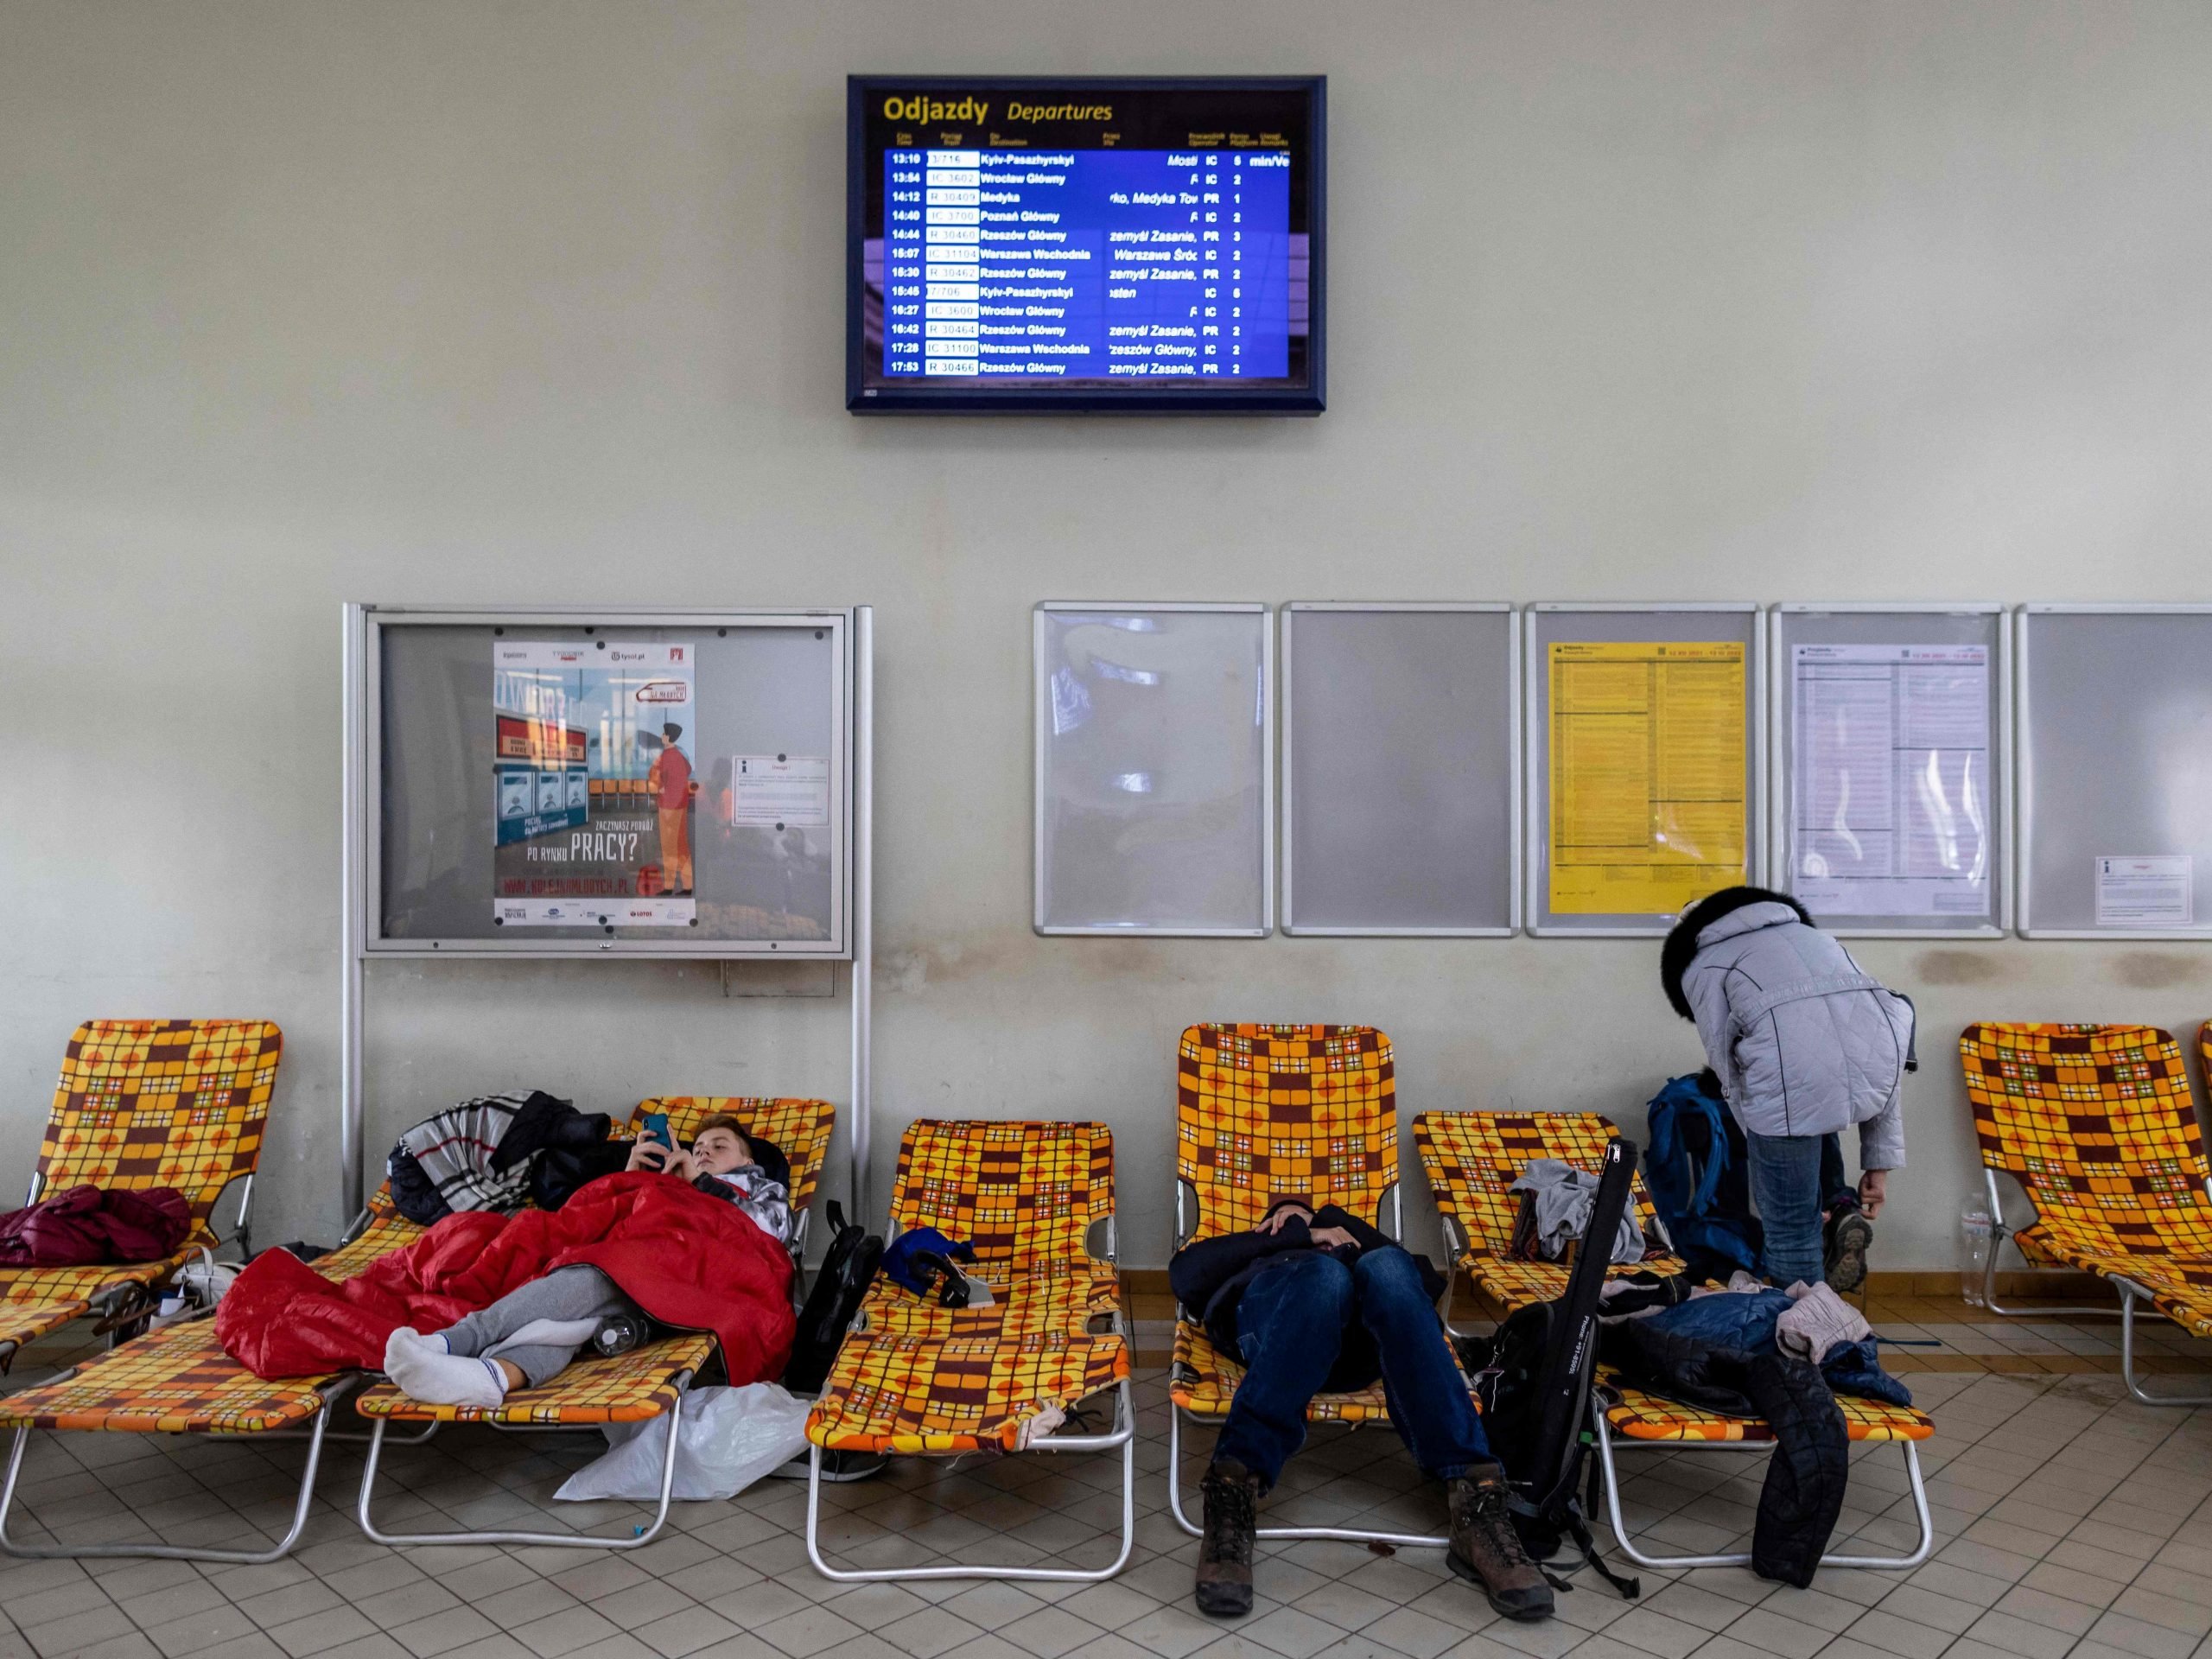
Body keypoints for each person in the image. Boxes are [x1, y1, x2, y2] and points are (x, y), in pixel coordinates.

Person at [1169, 1198, 1553, 1623]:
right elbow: (1185, 1275)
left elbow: (1423, 1282)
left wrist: (1332, 1224)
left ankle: (1477, 1506)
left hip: (1355, 1346)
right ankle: (1233, 1489)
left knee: (1388, 1264)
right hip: (1273, 1328)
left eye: (1308, 1218)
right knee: (1323, 1276)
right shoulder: (1262, 1251)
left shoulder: (1357, 1252)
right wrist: (1301, 1235)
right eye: (1288, 1217)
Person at [382, 1116, 790, 1406]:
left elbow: (768, 1233)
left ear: (748, 1160)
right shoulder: (669, 1182)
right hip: (651, 1279)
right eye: (698, 1149)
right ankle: (491, 1378)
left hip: (694, 1270)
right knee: (576, 1327)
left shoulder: (760, 1188)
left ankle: (450, 1342)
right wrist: (635, 1178)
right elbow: (597, 1214)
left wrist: (698, 1185)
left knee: (598, 1275)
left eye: (719, 1147)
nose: (704, 1154)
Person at [1662, 886, 1916, 1294]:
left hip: (1791, 1075)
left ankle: (1801, 1346)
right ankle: (1840, 1202)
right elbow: (1882, 1051)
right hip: (1874, 1054)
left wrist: (1772, 1166)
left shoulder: (1703, 965)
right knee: (1809, 1092)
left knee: (1791, 1228)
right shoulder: (1818, 940)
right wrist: (1878, 1166)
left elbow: (1730, 1074)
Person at [645, 721, 696, 896]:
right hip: (681, 805)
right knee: (682, 846)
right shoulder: (680, 757)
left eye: (663, 734)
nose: (661, 736)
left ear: (668, 737)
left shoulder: (665, 757)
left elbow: (653, 777)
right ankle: (688, 886)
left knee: (668, 848)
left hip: (668, 806)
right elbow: (687, 770)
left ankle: (668, 886)